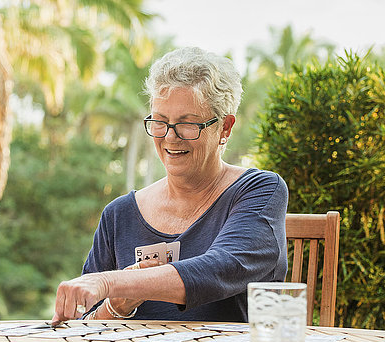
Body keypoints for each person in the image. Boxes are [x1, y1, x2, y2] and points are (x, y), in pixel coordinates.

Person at [51, 47, 288, 326]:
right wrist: (117, 305)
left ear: (225, 128)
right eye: (160, 122)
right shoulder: (119, 214)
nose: (170, 138)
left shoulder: (259, 189)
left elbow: (222, 267)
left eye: (188, 125)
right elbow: (83, 326)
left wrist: (112, 282)